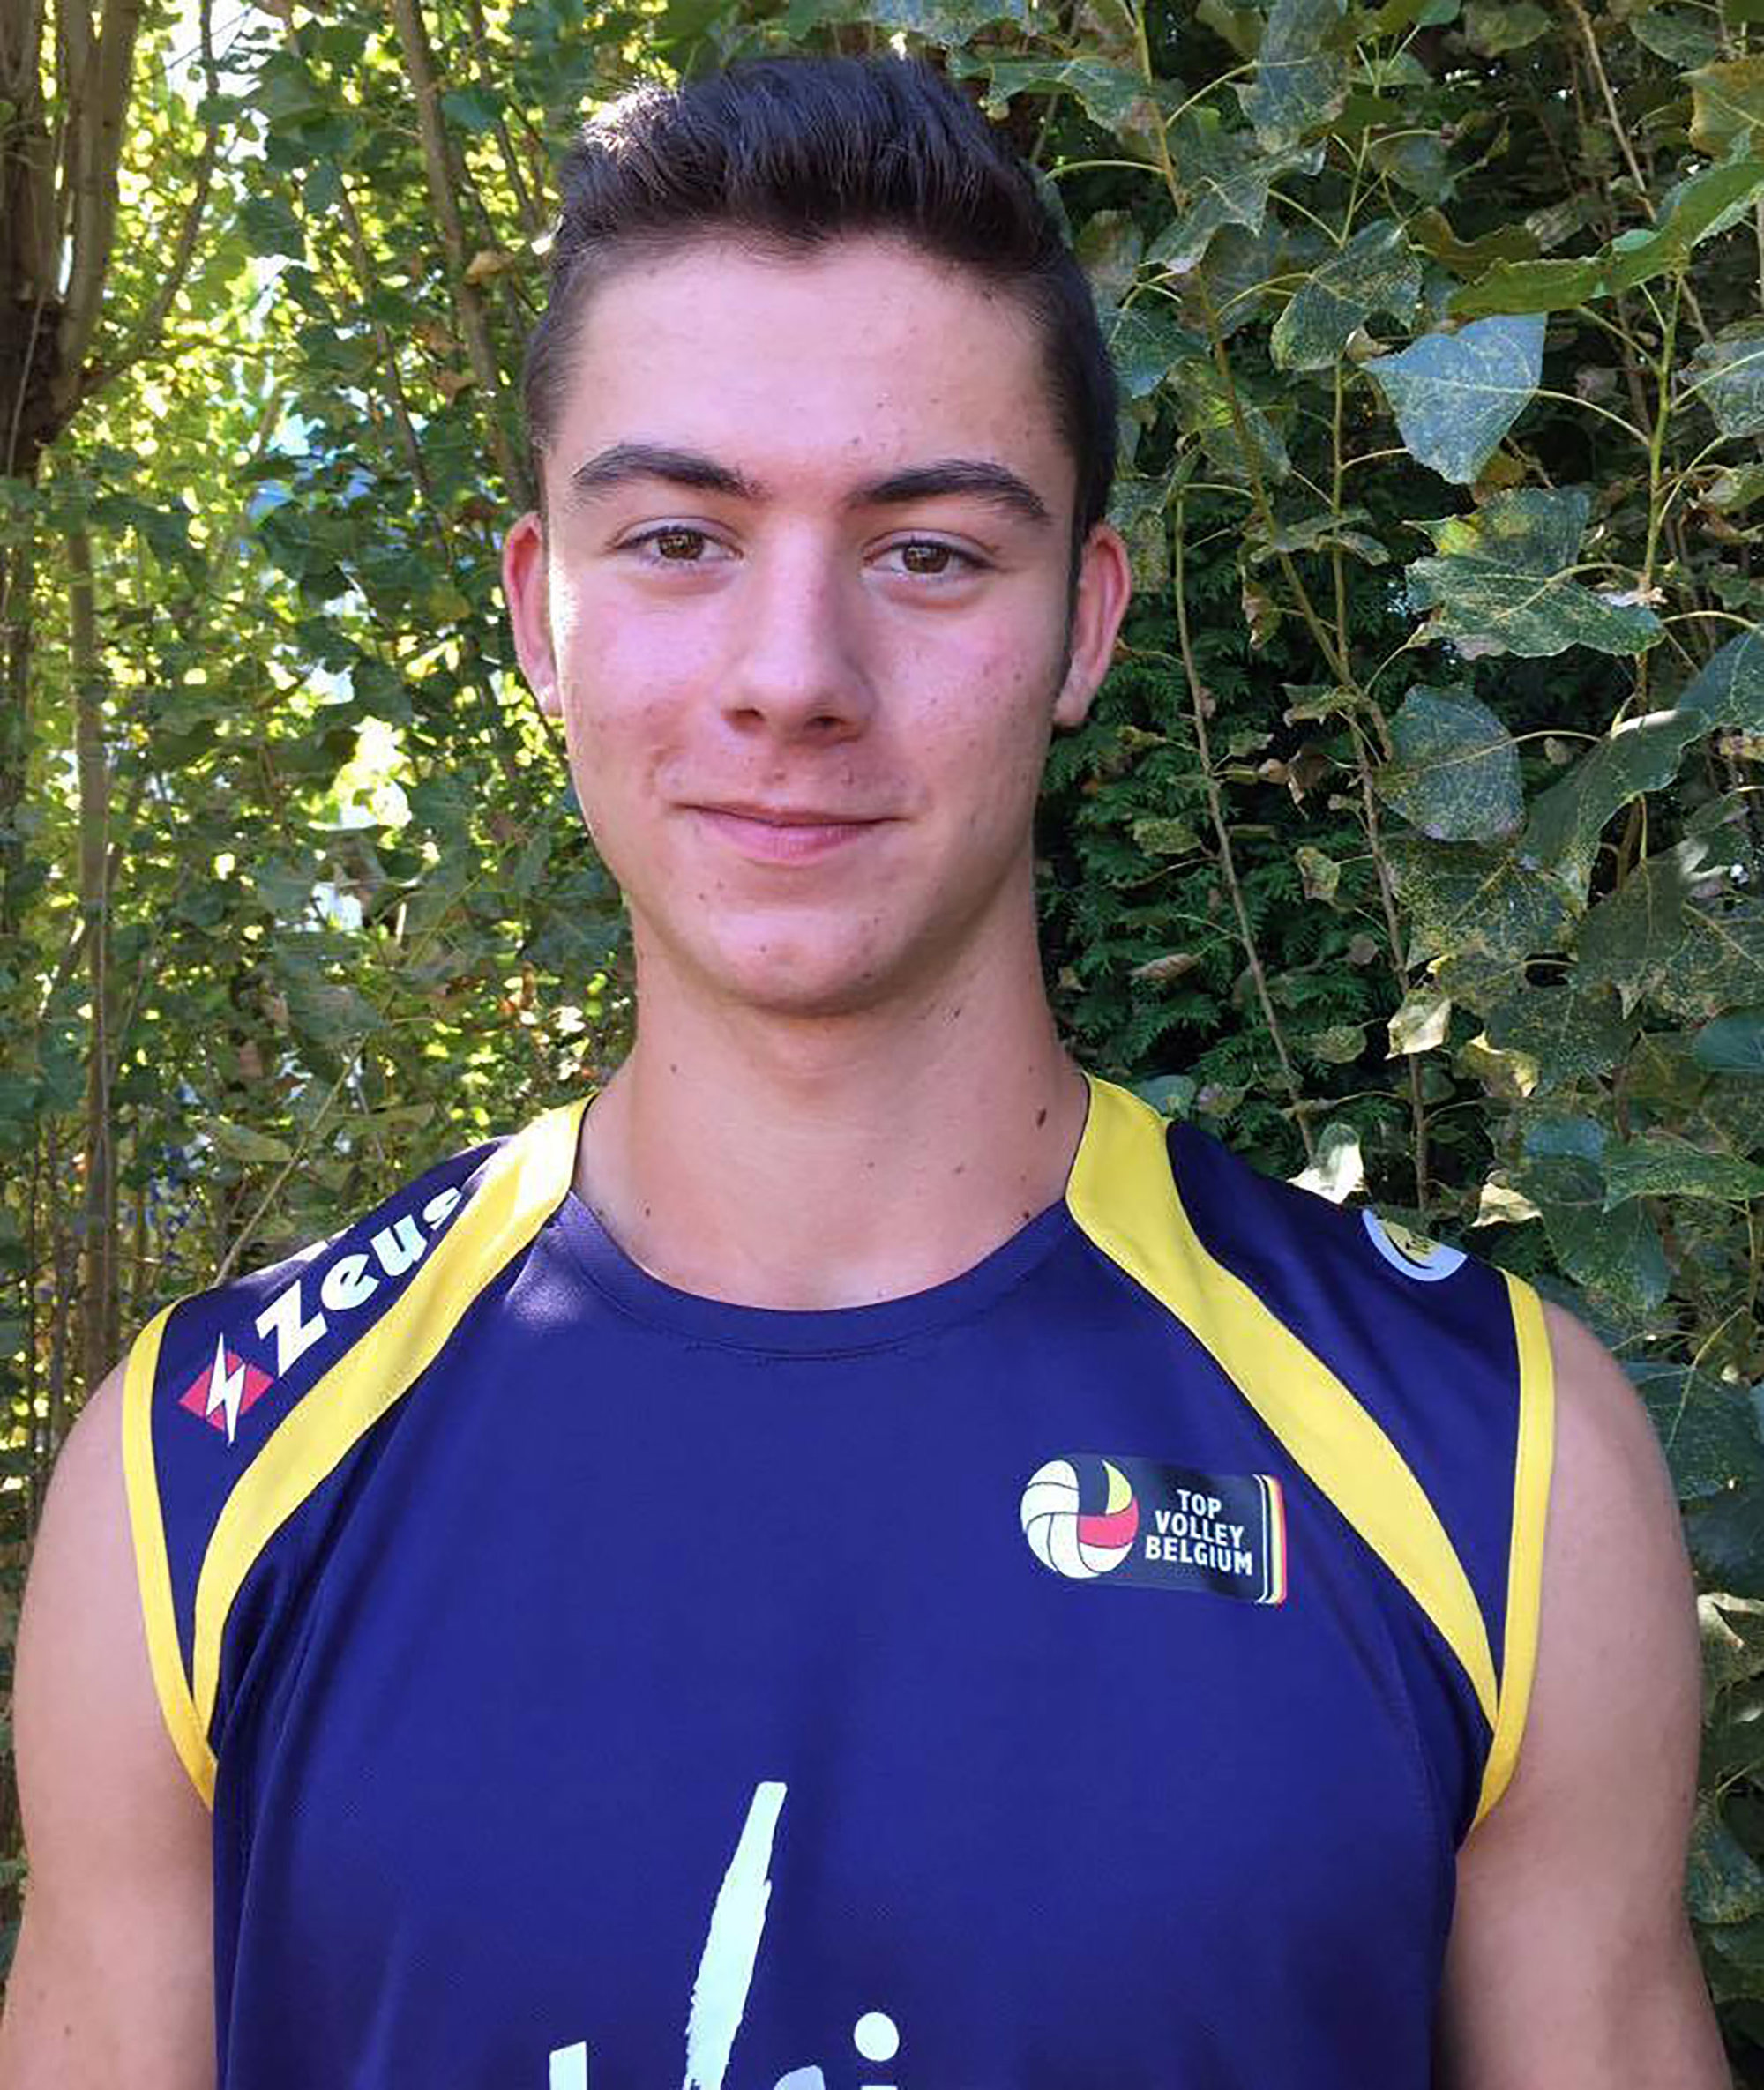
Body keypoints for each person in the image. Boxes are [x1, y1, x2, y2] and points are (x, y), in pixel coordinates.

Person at [0, 54, 1725, 2090]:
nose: (793, 676)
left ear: (1084, 624)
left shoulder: (1489, 1462)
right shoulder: (198, 1481)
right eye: (678, 539)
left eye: (928, 554)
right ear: (541, 615)